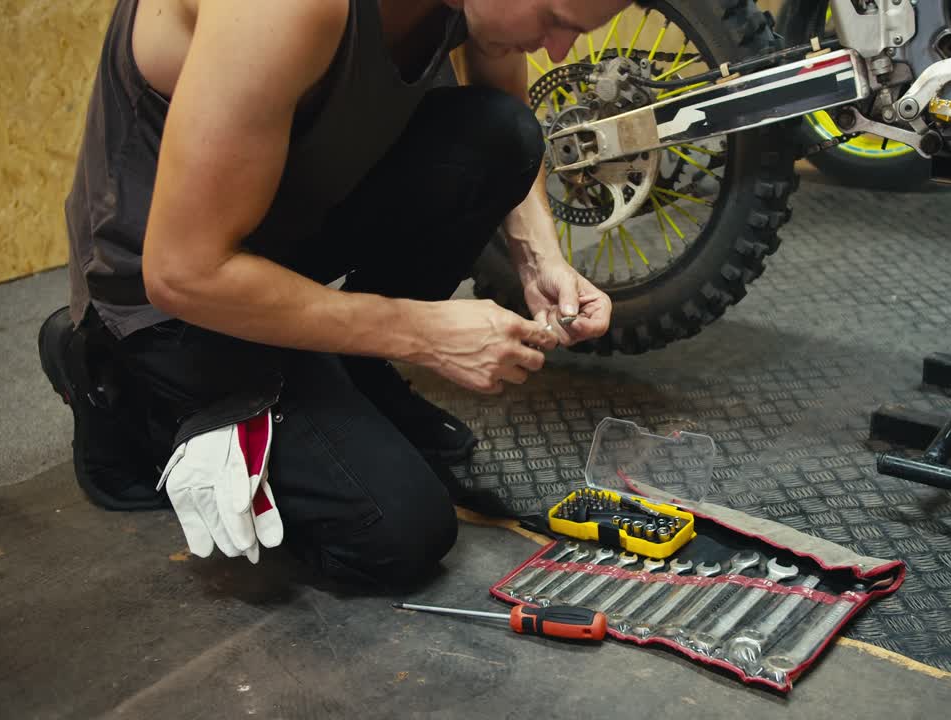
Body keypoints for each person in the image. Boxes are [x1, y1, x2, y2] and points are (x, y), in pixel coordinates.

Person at [37, 0, 633, 586]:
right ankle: (115, 378)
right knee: (397, 533)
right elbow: (183, 274)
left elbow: (500, 91)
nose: (560, 49)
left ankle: (356, 377)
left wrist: (539, 258)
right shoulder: (282, 10)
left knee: (502, 135)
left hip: (277, 231)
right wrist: (423, 333)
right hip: (166, 288)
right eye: (554, 19)